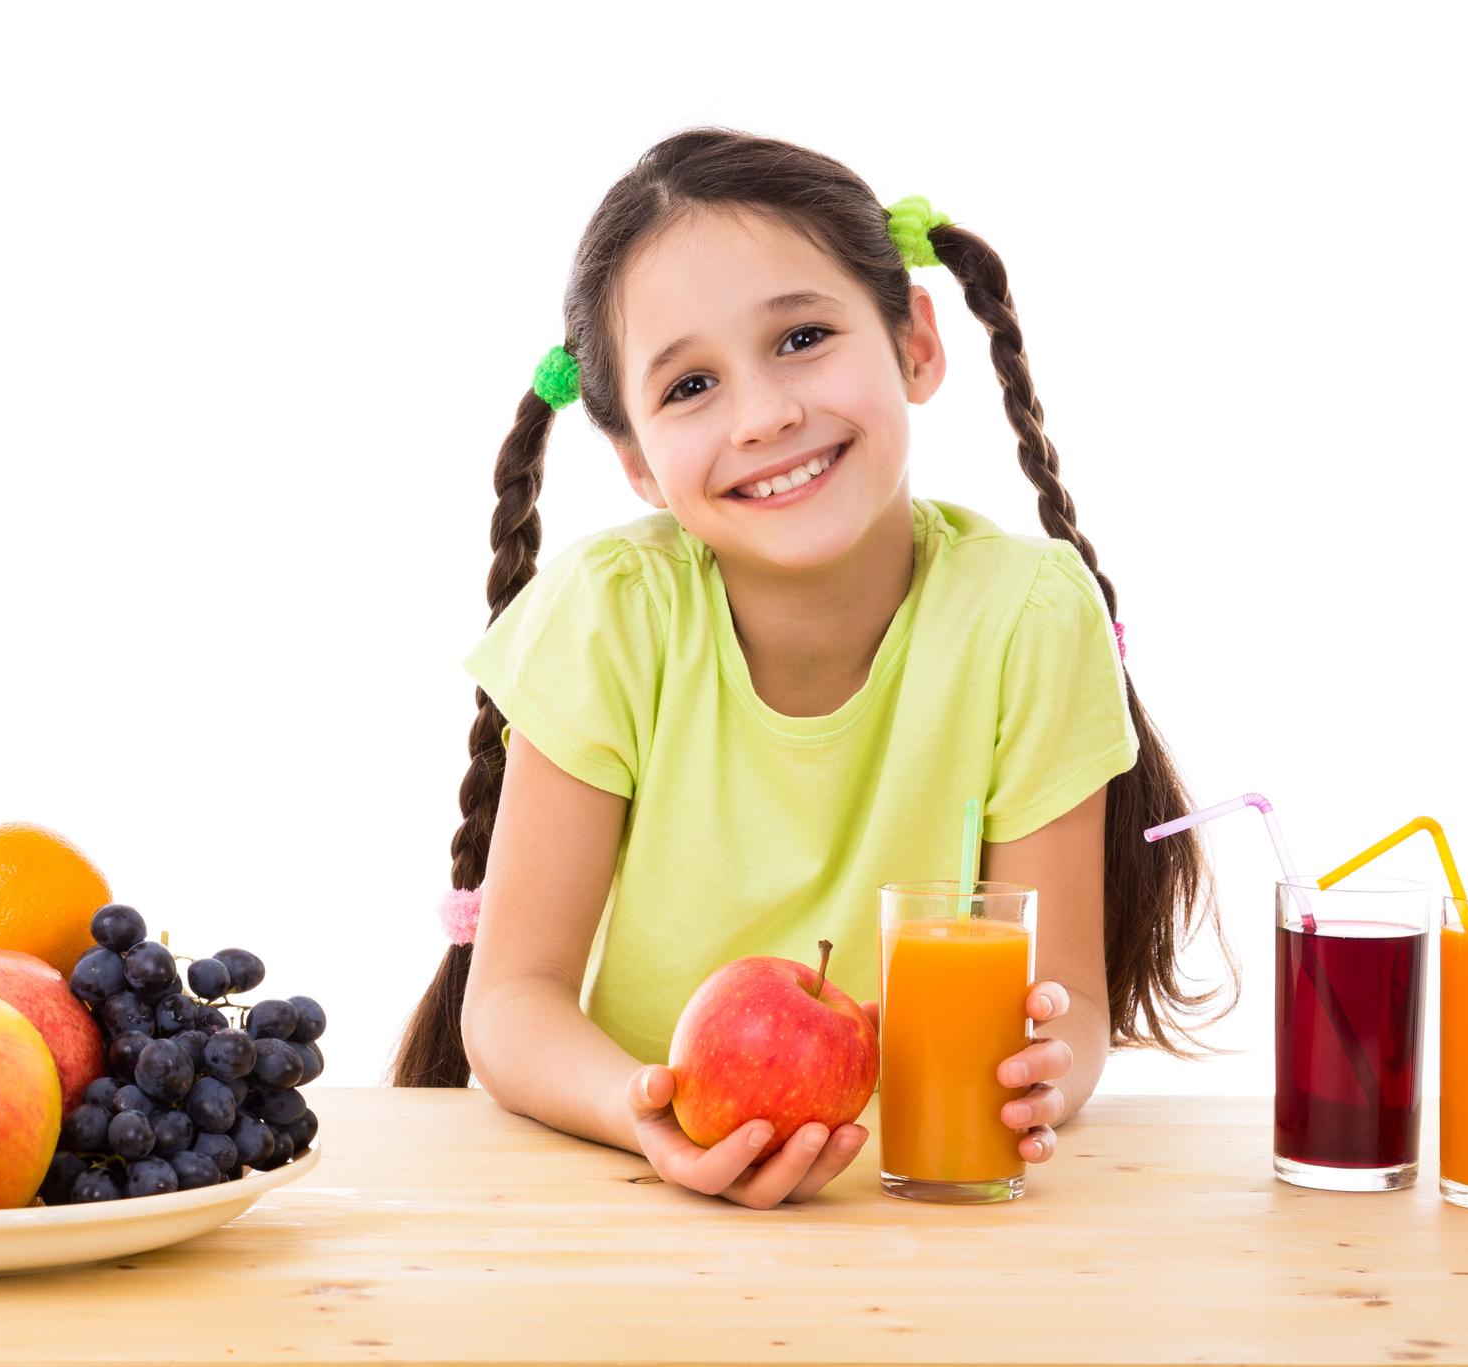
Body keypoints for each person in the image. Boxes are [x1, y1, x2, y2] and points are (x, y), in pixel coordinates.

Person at [391, 127, 1230, 1209]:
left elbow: (1060, 1005)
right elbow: (510, 1001)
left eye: (800, 337)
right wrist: (646, 1113)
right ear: (637, 460)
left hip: (918, 1201)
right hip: (642, 1204)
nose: (764, 414)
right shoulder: (612, 618)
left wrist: (1029, 1078)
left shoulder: (1025, 616)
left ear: (915, 343)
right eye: (690, 382)